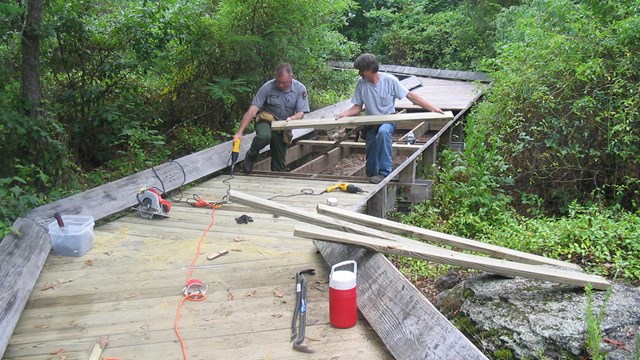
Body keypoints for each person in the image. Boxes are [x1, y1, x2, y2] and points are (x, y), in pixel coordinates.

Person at [336, 54, 444, 184]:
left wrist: (432, 108)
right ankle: (371, 175)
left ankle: (385, 173)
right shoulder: (361, 83)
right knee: (371, 141)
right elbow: (357, 107)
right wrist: (345, 114)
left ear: (370, 69)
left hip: (389, 119)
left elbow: (410, 96)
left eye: (361, 70)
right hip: (371, 122)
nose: (360, 73)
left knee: (383, 132)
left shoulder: (389, 80)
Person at [233, 63, 310, 174]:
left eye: (284, 82)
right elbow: (252, 110)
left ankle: (278, 182)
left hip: (283, 125)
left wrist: (292, 118)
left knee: (279, 163)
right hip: (266, 120)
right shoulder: (267, 87)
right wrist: (240, 132)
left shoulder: (300, 89)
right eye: (278, 82)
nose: (281, 85)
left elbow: (301, 113)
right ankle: (251, 156)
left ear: (291, 77)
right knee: (264, 136)